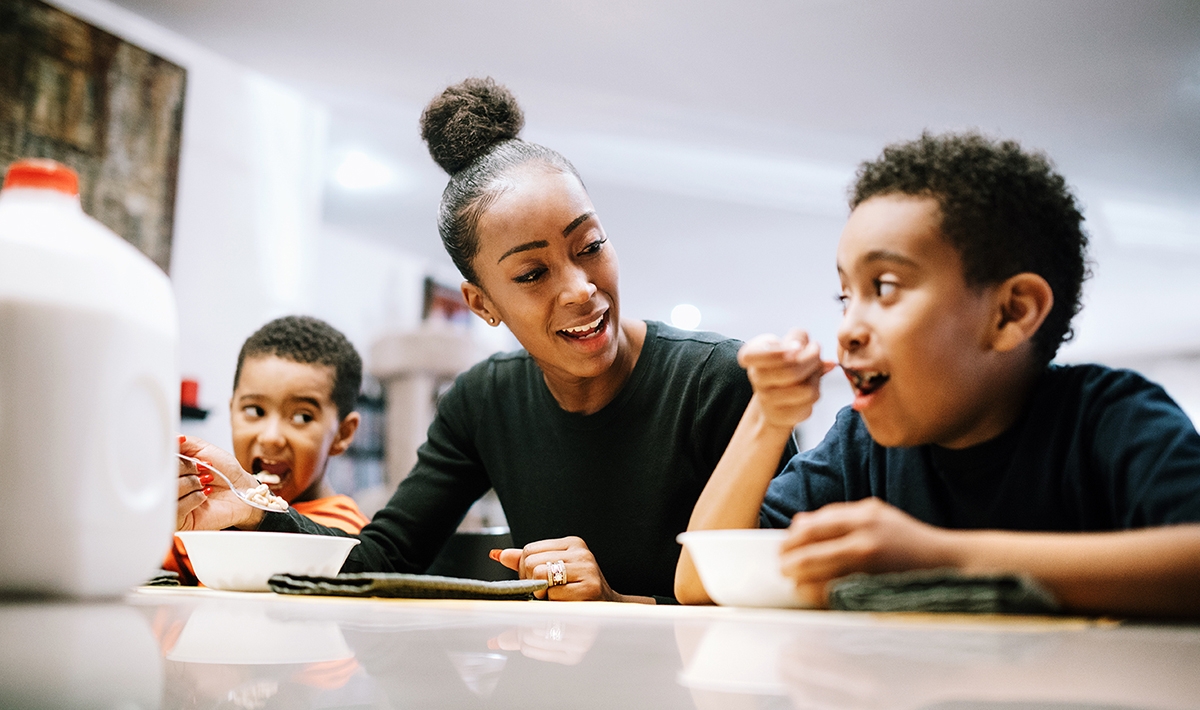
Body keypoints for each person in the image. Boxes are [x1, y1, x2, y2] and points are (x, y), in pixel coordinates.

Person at [177, 77, 786, 603]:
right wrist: (259, 508)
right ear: (483, 304)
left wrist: (618, 601)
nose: (579, 289)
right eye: (531, 274)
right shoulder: (482, 402)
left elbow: (779, 596)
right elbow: (383, 557)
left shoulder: (721, 383)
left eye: (590, 246)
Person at [675, 132, 1200, 617]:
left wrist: (943, 559)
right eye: (844, 296)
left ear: (1011, 313)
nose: (848, 328)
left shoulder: (1108, 416)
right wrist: (768, 418)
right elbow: (698, 583)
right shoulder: (860, 446)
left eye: (883, 287)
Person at [171, 316, 368, 584]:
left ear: (343, 434)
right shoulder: (201, 515)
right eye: (255, 411)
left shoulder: (344, 535)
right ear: (232, 413)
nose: (271, 437)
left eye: (302, 417)